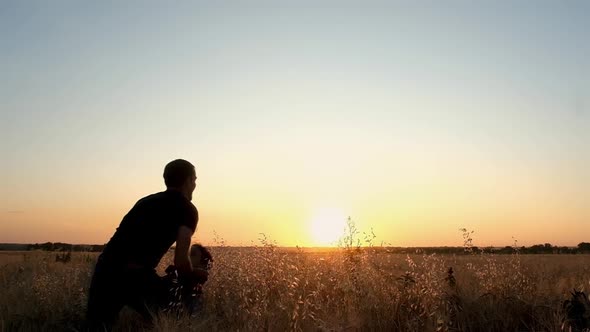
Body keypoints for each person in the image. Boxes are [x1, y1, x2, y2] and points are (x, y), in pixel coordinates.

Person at [86, 159, 206, 330]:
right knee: (180, 310)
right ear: (188, 180)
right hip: (135, 276)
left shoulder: (144, 202)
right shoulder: (187, 209)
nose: (195, 184)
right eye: (194, 180)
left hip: (106, 270)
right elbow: (180, 261)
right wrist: (194, 276)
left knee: (97, 327)